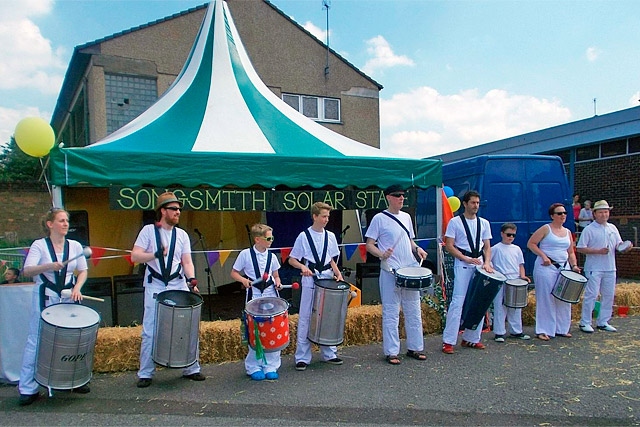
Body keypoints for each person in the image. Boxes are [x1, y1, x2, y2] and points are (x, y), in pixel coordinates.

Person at [131, 192, 205, 387]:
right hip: (155, 284)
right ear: (163, 211)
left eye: (179, 209)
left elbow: (186, 261)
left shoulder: (182, 235)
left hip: (177, 282)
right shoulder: (148, 231)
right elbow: (135, 257)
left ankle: (192, 367)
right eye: (174, 209)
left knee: (187, 325)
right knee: (150, 329)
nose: (178, 212)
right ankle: (146, 372)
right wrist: (154, 254)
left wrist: (192, 280)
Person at [18, 208, 89, 406]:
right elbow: (27, 270)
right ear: (50, 224)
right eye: (61, 220)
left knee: (72, 338)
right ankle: (27, 387)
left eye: (67, 220)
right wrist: (49, 266)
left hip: (67, 297)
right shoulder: (39, 246)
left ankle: (73, 380)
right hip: (45, 297)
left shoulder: (74, 246)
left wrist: (77, 287)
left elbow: (83, 271)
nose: (66, 223)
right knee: (36, 339)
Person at [365, 184, 428, 364]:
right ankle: (392, 351)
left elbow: (409, 240)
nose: (401, 198)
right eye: (397, 195)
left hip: (408, 267)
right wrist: (381, 254)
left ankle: (415, 348)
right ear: (388, 197)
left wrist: (418, 249)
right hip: (390, 269)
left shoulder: (407, 217)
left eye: (403, 195)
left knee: (414, 310)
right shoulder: (379, 218)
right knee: (391, 311)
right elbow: (369, 244)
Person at [289, 202, 344, 370]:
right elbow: (292, 259)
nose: (326, 219)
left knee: (327, 315)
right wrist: (302, 267)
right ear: (314, 216)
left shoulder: (331, 236)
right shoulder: (303, 236)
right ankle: (302, 357)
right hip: (310, 279)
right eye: (323, 216)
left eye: (328, 216)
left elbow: (332, 259)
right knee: (306, 316)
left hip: (327, 277)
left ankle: (329, 353)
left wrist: (338, 273)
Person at [442, 190, 493, 354]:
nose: (476, 206)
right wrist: (464, 258)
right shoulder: (455, 222)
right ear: (465, 204)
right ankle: (448, 341)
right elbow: (449, 245)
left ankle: (472, 338)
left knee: (478, 300)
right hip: (463, 263)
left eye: (478, 203)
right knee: (458, 301)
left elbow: (487, 246)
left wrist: (487, 263)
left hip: (478, 262)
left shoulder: (484, 223)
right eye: (473, 202)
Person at [231, 224, 283, 380]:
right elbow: (234, 273)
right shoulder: (245, 254)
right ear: (258, 239)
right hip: (254, 295)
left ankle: (271, 365)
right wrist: (243, 280)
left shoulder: (272, 256)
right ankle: (253, 366)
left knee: (272, 329)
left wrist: (278, 283)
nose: (271, 241)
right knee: (255, 331)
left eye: (272, 238)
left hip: (271, 295)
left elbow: (276, 275)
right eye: (269, 238)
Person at [577, 200, 633, 333]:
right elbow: (580, 248)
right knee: (592, 294)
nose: (604, 215)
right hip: (594, 267)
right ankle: (585, 322)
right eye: (601, 212)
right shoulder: (589, 229)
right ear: (595, 214)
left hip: (610, 267)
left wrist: (625, 247)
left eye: (606, 212)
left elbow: (618, 245)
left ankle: (603, 321)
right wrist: (598, 251)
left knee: (608, 295)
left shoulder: (612, 228)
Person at [527, 203, 580, 341]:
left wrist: (574, 265)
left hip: (563, 267)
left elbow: (570, 252)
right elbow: (531, 244)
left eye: (564, 213)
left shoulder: (568, 232)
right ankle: (543, 330)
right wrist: (543, 256)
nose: (563, 216)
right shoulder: (546, 229)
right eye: (559, 213)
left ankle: (562, 328)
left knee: (564, 298)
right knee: (546, 298)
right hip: (546, 267)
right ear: (552, 216)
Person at [490, 223, 531, 342]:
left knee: (515, 306)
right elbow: (488, 263)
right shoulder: (495, 248)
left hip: (515, 279)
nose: (511, 237)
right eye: (508, 234)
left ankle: (516, 331)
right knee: (500, 306)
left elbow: (520, 265)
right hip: (501, 280)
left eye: (513, 235)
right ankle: (499, 332)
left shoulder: (517, 249)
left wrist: (522, 276)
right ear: (502, 234)